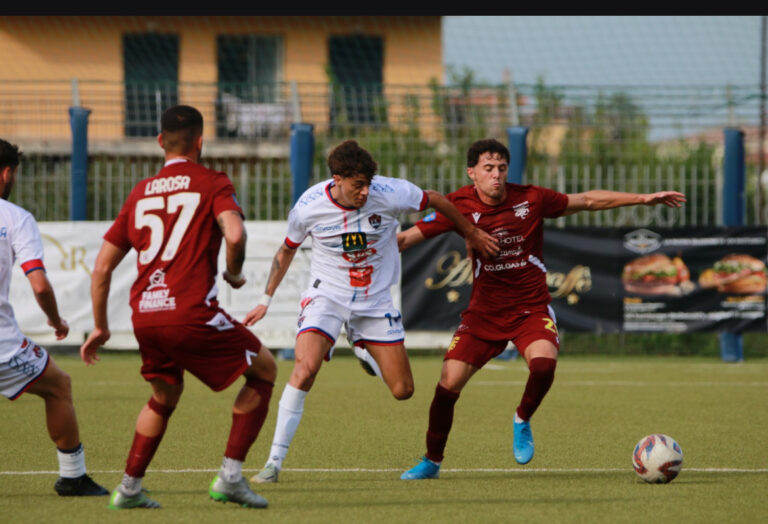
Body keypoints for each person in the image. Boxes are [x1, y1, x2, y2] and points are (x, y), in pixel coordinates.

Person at [398, 138, 686, 479]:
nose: (497, 175)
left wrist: (643, 198)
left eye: (502, 168)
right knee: (447, 385)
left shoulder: (531, 198)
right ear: (471, 172)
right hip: (483, 315)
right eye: (488, 169)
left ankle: (522, 417)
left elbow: (589, 200)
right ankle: (432, 460)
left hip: (530, 309)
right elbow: (404, 240)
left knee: (544, 364)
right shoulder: (457, 205)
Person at [243, 139, 499, 484]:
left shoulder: (390, 192)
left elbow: (437, 199)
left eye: (367, 184)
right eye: (357, 185)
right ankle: (273, 462)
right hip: (327, 296)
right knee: (305, 369)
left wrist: (469, 232)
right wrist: (265, 300)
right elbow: (286, 250)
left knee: (403, 390)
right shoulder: (309, 207)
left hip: (375, 301)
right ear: (337, 179)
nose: (364, 192)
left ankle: (362, 349)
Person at [79, 105, 277, 509]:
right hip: (189, 312)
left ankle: (130, 488)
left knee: (163, 397)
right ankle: (230, 478)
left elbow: (101, 269)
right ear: (200, 142)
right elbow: (235, 234)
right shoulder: (211, 182)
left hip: (145, 316)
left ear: (159, 142)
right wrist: (235, 274)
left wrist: (99, 327)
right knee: (265, 370)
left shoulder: (139, 193)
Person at [0, 139, 108, 497]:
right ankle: (73, 476)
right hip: (2, 346)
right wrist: (58, 321)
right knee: (58, 386)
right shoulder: (15, 218)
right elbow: (40, 285)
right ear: (7, 173)